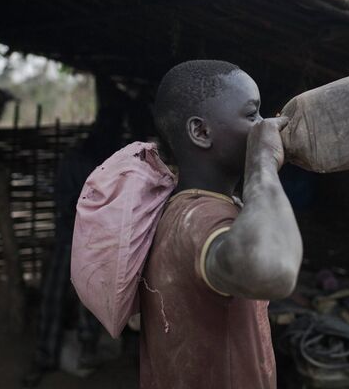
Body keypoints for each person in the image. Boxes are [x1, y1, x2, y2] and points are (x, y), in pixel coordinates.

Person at [140, 59, 303, 388]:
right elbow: (272, 270)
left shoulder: (184, 208)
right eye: (251, 114)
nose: (264, 125)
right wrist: (263, 163)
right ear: (201, 132)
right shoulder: (200, 218)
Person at [23, 81, 127, 388]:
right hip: (72, 238)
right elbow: (65, 203)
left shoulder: (117, 163)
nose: (109, 130)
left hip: (98, 243)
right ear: (98, 126)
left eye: (114, 126)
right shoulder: (77, 159)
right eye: (106, 125)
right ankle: (46, 356)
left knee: (91, 302)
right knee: (55, 297)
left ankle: (86, 351)